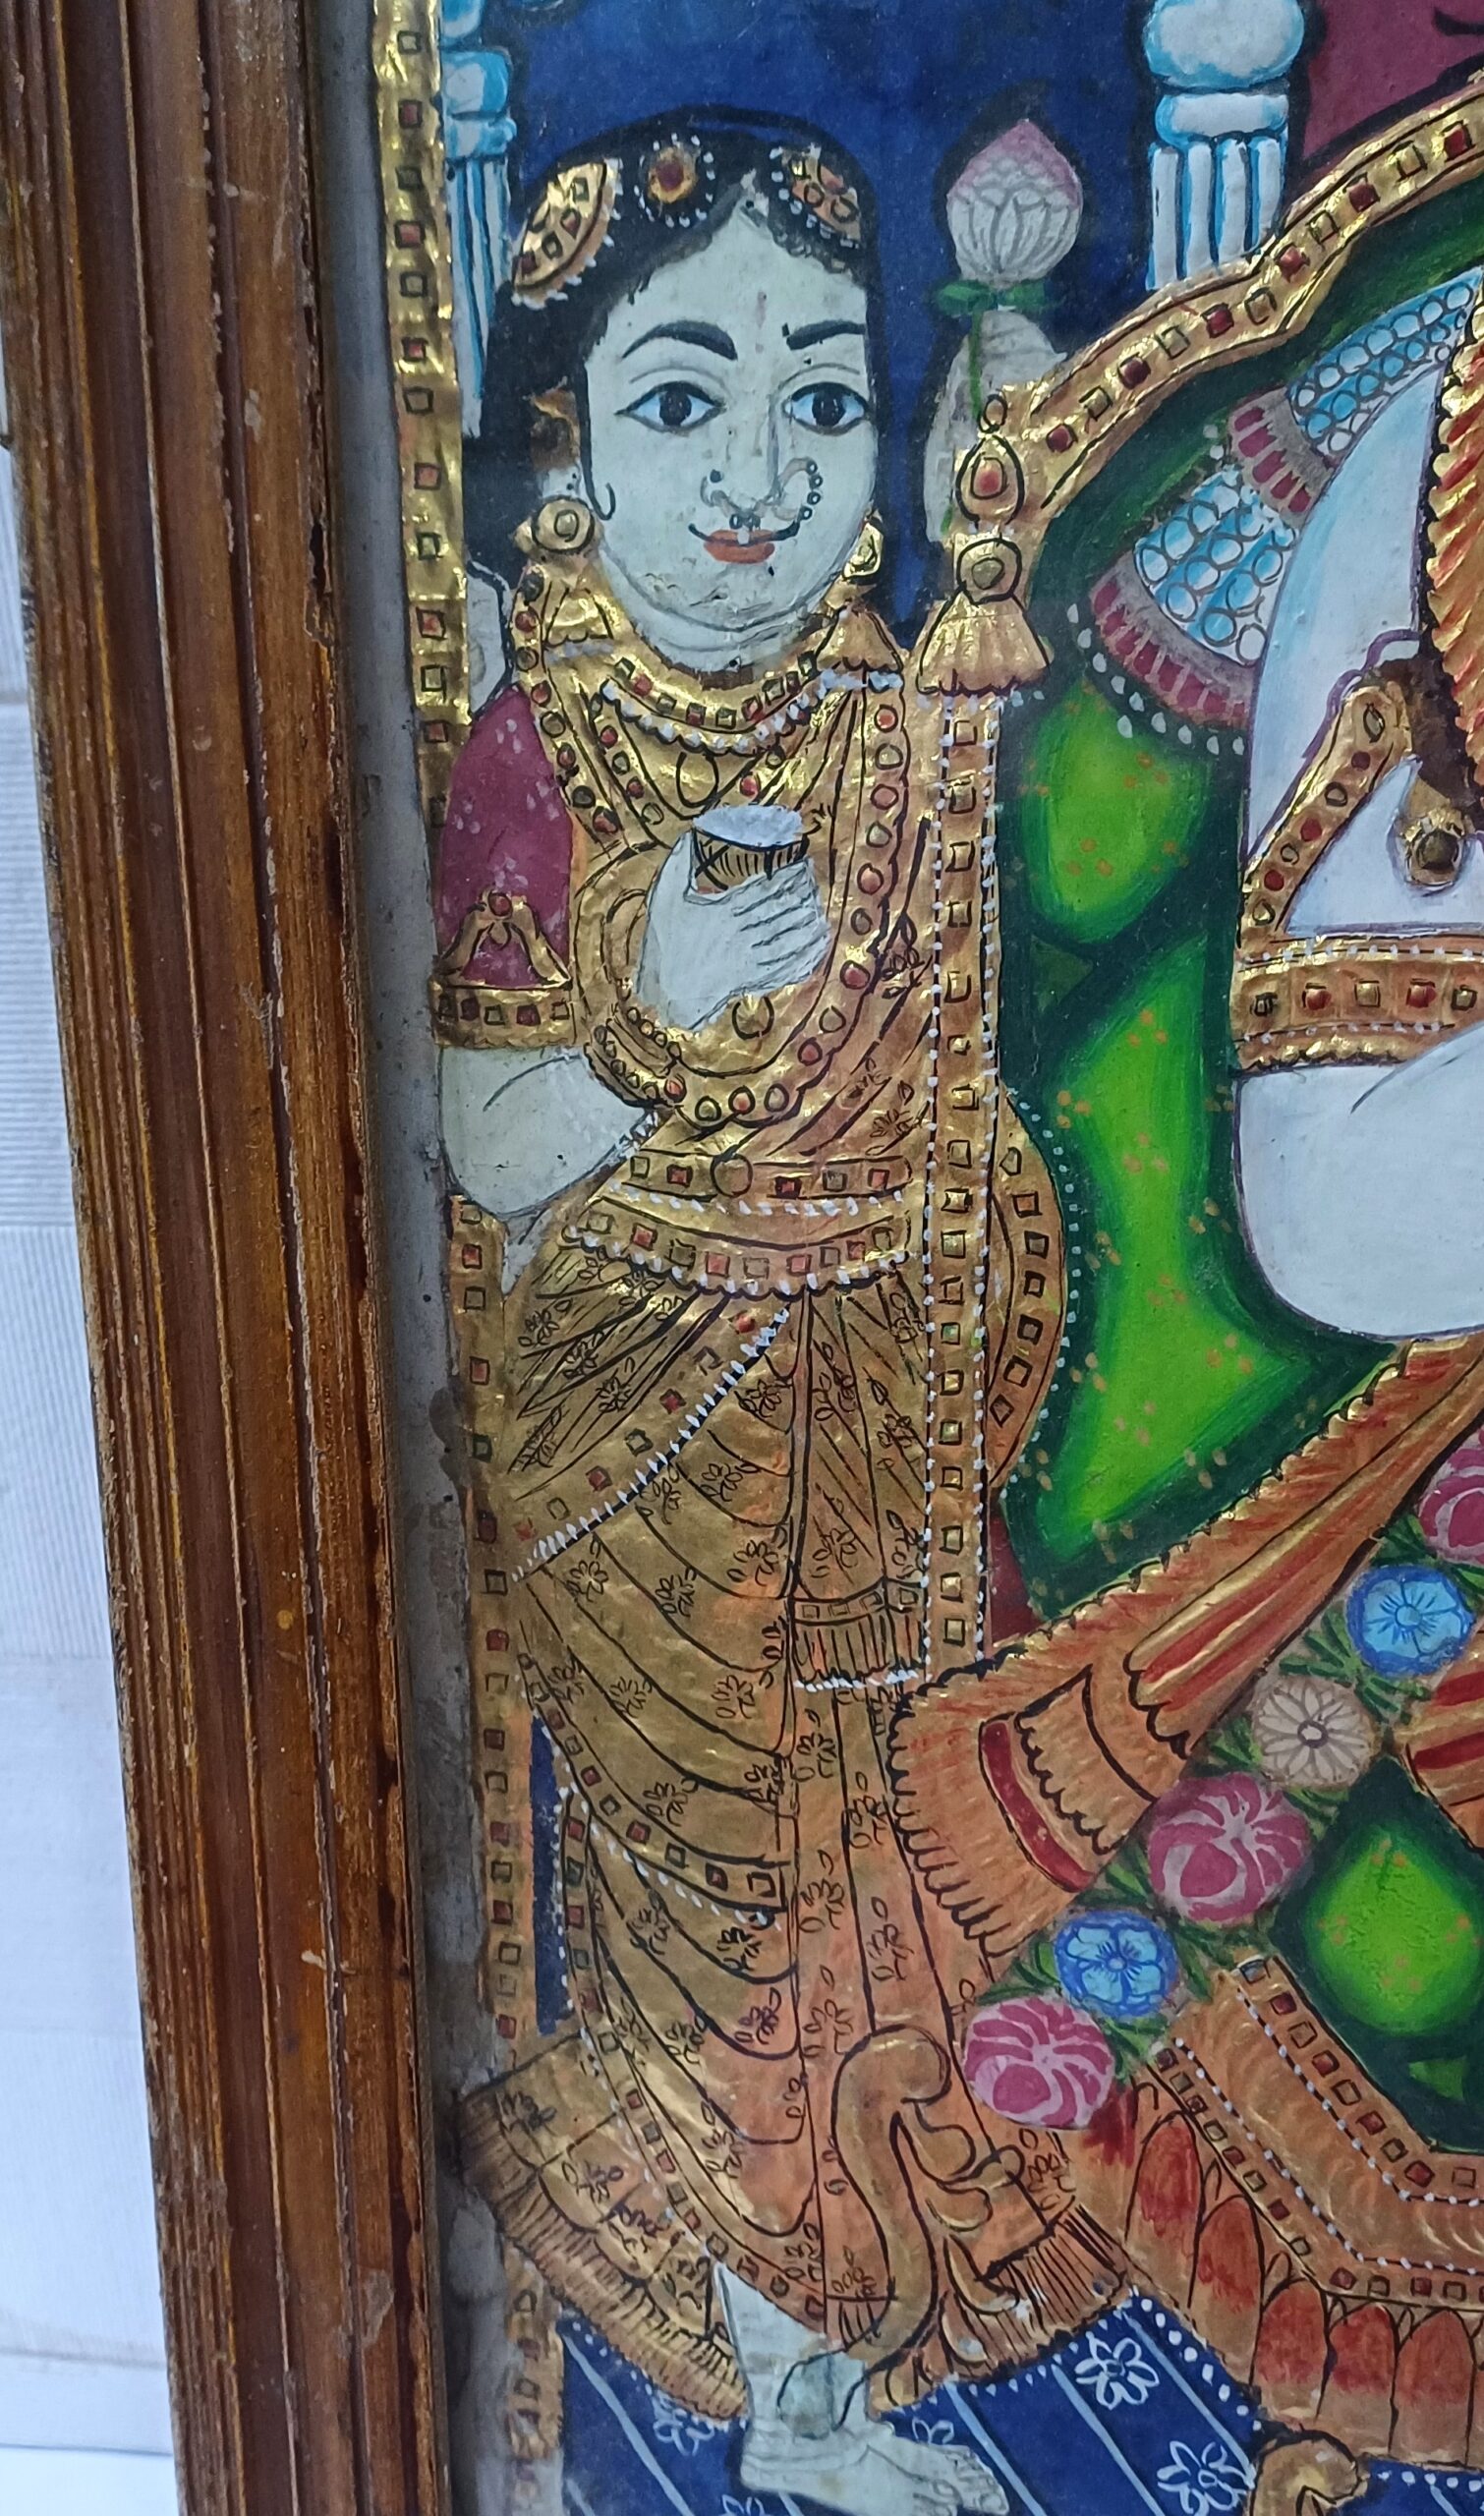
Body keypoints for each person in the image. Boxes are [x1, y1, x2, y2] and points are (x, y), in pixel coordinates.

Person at [439, 112, 1100, 2516]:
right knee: (719, 1906)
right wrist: (651, 1013)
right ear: (563, 454)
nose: (756, 476)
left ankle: (847, 2313)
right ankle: (786, 2392)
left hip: (887, 1411)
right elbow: (479, 1141)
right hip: (640, 1457)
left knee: (880, 1879)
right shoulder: (536, 756)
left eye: (819, 399)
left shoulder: (889, 727)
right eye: (679, 399)